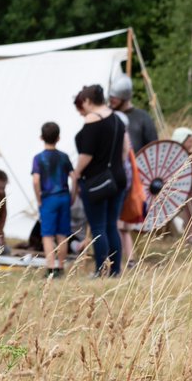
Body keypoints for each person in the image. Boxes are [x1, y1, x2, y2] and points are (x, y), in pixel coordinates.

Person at [71, 85, 127, 277]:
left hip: (97, 181)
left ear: (88, 101)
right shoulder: (118, 119)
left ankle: (101, 270)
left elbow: (86, 154)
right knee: (112, 225)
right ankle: (115, 270)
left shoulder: (92, 119)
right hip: (118, 178)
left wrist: (76, 172)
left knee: (98, 226)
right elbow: (125, 151)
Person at [33, 122, 73, 277]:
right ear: (58, 138)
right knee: (62, 234)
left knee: (48, 235)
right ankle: (61, 267)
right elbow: (74, 177)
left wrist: (38, 198)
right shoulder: (64, 157)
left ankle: (50, 268)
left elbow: (36, 180)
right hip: (64, 196)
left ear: (41, 137)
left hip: (48, 198)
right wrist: (73, 195)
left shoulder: (38, 158)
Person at [109, 73, 158, 154]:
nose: (111, 100)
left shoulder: (142, 117)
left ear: (124, 97)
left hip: (137, 161)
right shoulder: (108, 117)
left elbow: (153, 147)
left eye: (114, 98)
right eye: (111, 97)